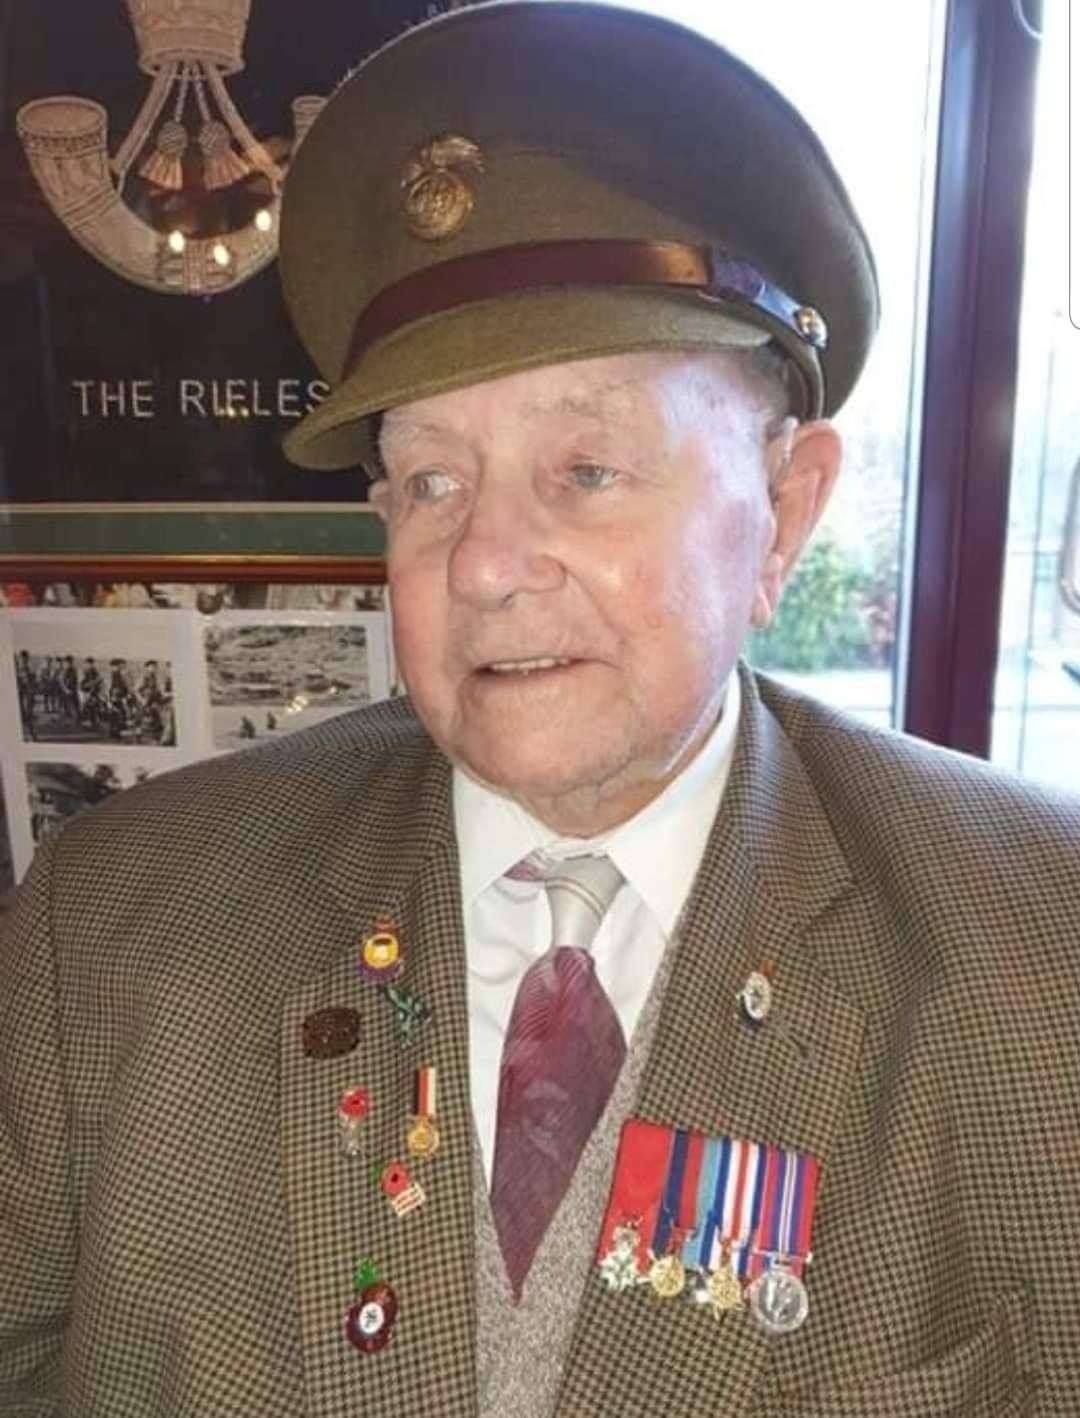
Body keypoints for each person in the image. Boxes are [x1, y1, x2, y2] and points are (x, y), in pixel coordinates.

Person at [1, 5, 1078, 1416]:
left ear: (784, 513)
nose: (487, 565)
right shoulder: (115, 922)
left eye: (585, 467)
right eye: (432, 480)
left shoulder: (1042, 957)